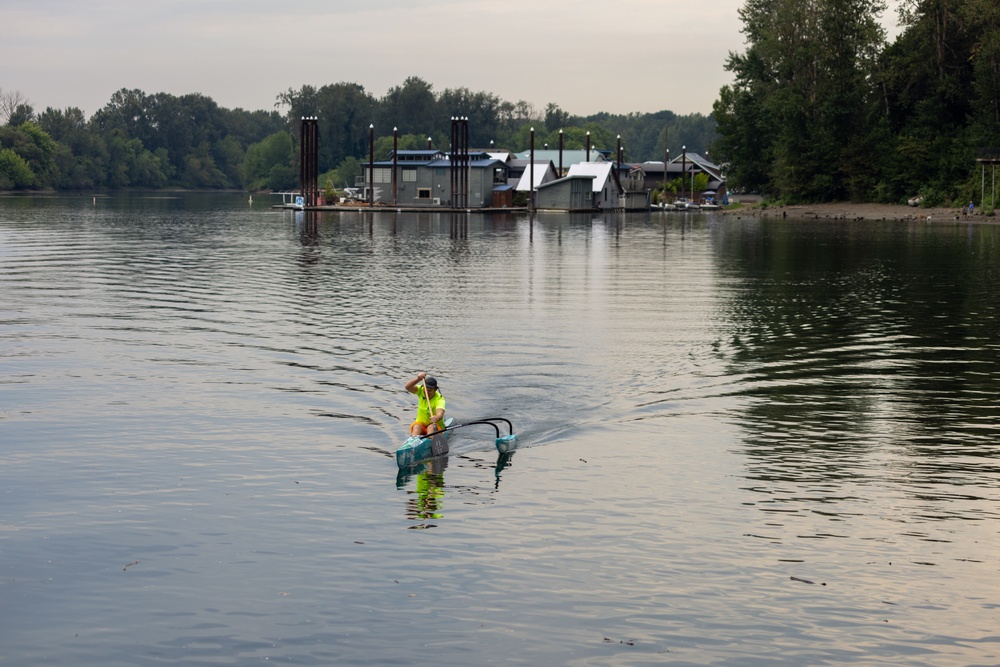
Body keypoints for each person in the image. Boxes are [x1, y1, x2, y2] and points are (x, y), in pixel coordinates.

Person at [405, 372, 446, 436]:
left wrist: (436, 417)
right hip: (421, 426)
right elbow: (407, 387)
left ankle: (429, 440)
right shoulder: (421, 390)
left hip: (435, 427)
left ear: (435, 389)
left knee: (431, 428)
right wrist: (418, 379)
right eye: (425, 389)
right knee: (416, 427)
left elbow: (440, 412)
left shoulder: (439, 399)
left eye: (429, 390)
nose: (426, 392)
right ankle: (413, 440)